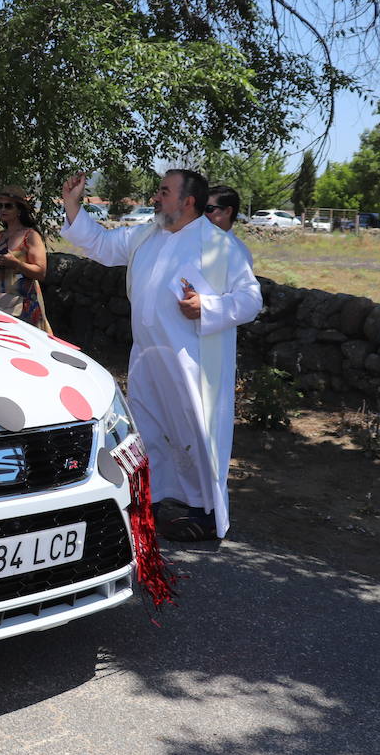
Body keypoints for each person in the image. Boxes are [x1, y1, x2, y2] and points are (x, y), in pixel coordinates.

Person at [61, 169, 262, 541]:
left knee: (196, 430)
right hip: (147, 356)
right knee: (147, 426)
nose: (156, 197)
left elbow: (251, 299)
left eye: (164, 191)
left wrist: (209, 306)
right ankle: (149, 500)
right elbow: (102, 246)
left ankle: (204, 511)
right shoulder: (144, 234)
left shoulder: (219, 245)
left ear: (188, 201)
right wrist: (73, 204)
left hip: (193, 362)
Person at [0, 185, 50, 331]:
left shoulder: (31, 236)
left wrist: (16, 264)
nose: (2, 210)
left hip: (24, 306)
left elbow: (41, 273)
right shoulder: (0, 236)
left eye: (8, 206)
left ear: (19, 210)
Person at [204, 184, 253, 267]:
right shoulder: (195, 242)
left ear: (227, 211)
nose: (203, 214)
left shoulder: (238, 253)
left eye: (209, 208)